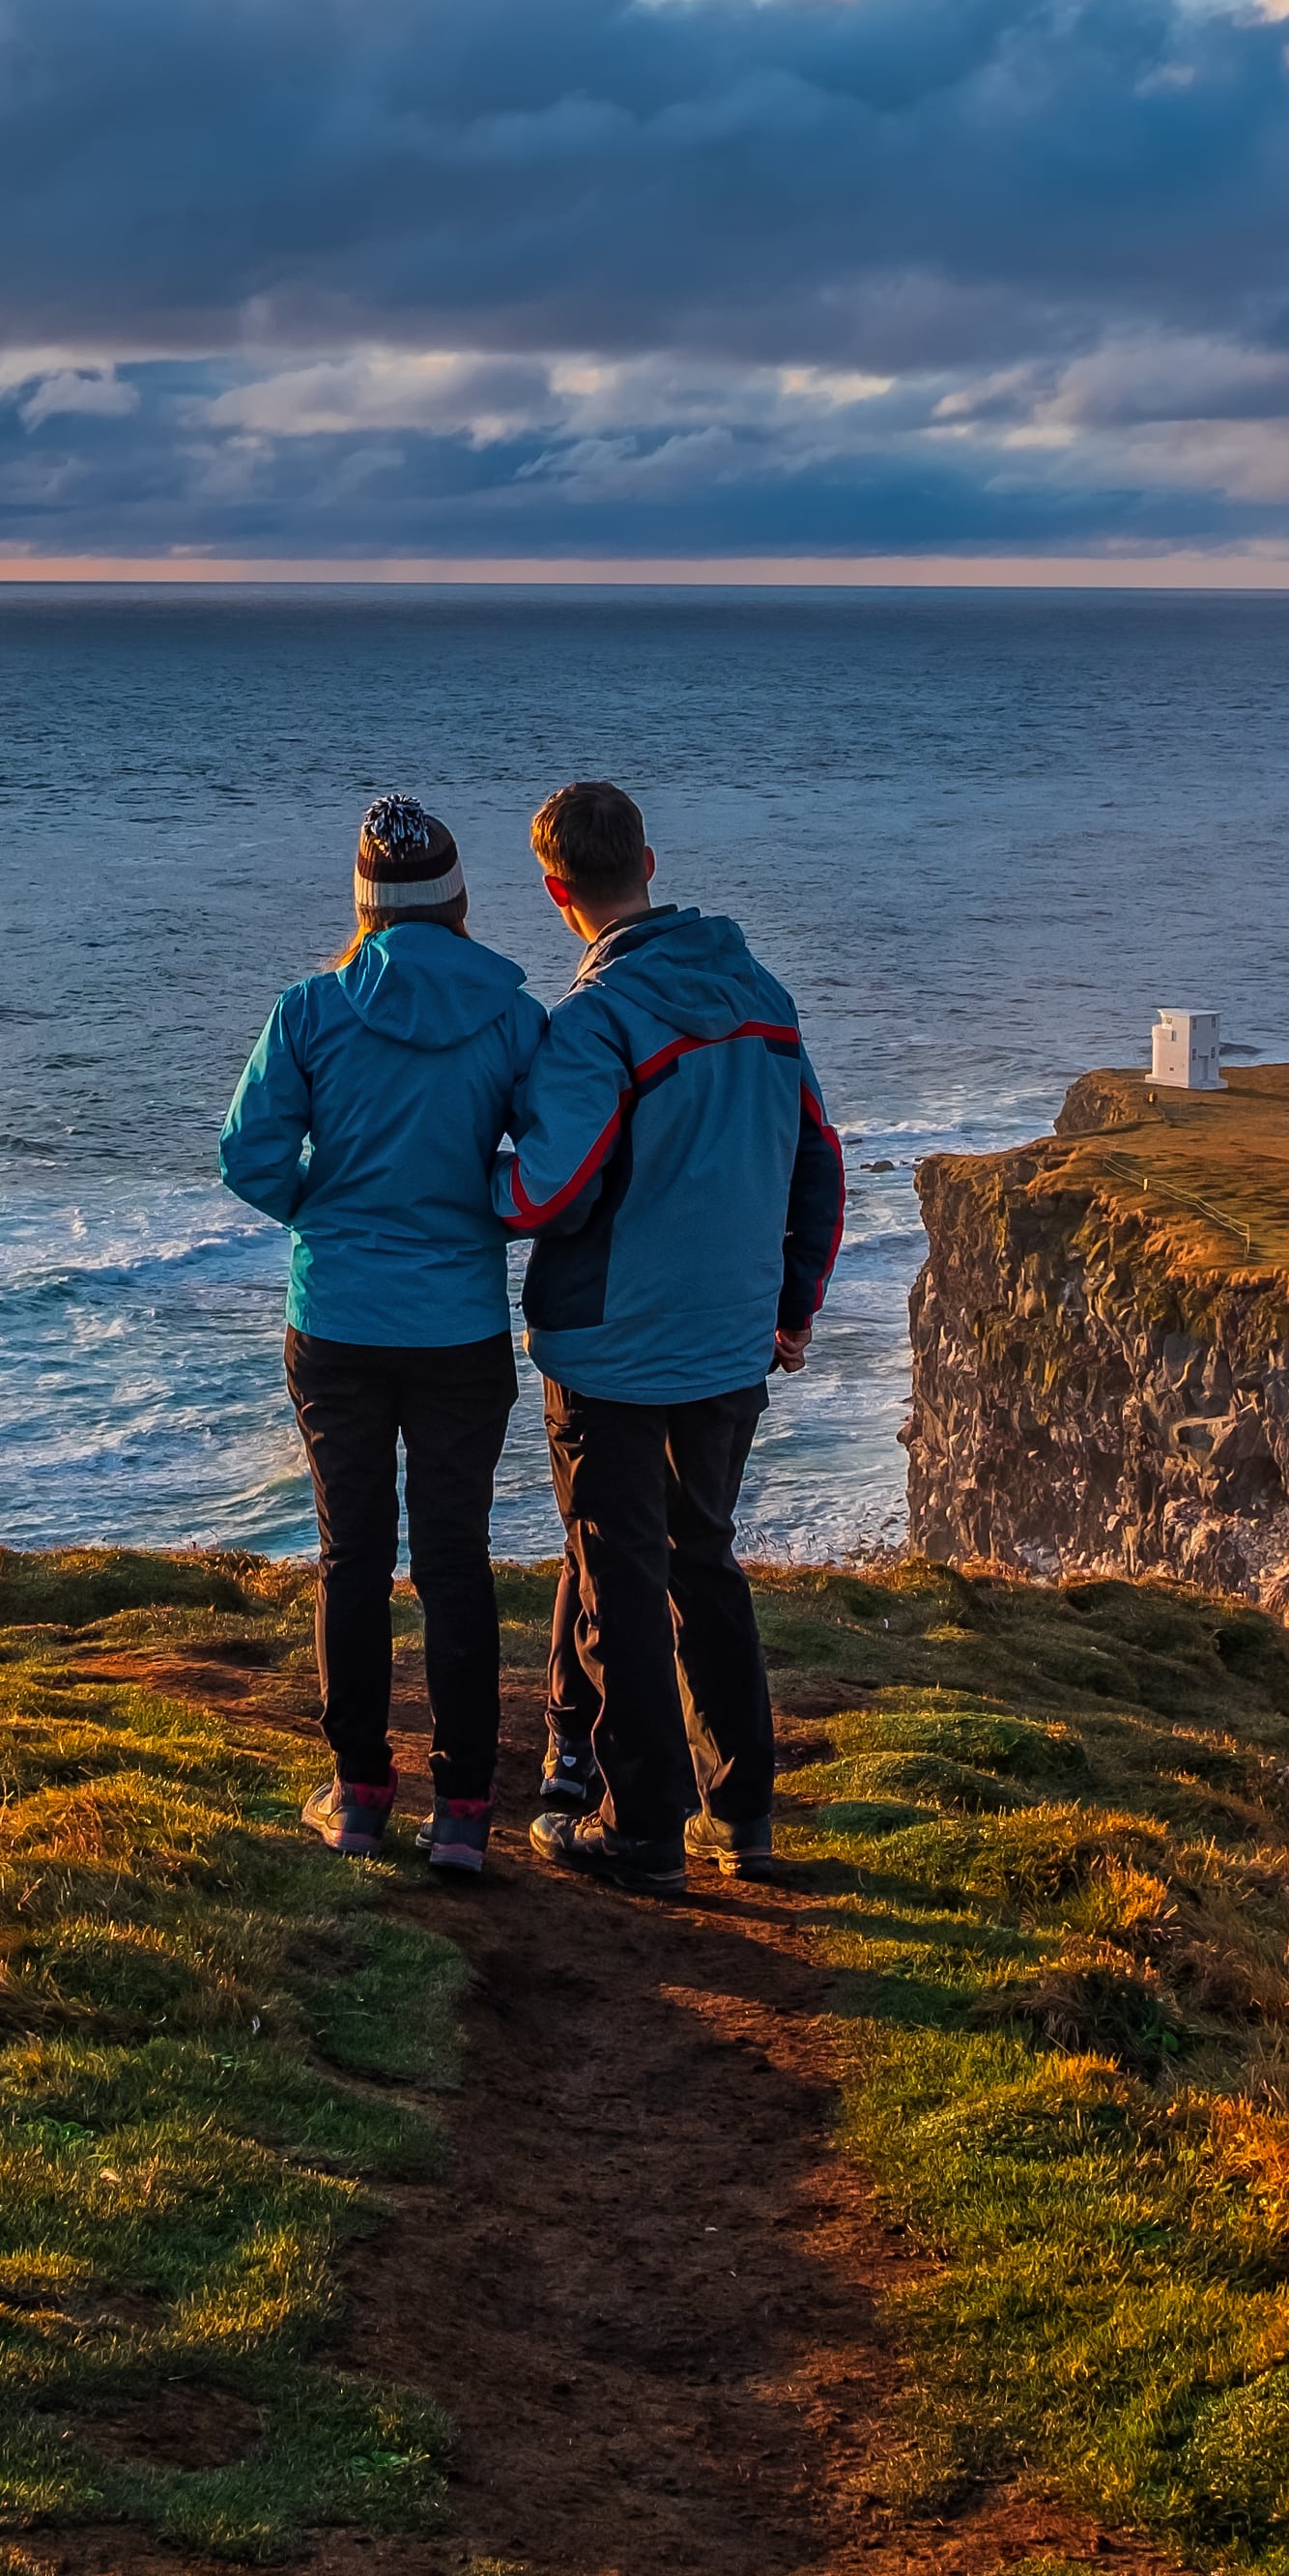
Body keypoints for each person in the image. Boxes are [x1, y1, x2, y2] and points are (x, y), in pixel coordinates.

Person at [496, 781, 845, 1896]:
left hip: (610, 1340)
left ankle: (641, 1821)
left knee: (617, 1574)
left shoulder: (594, 1020)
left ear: (557, 893)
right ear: (650, 859)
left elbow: (545, 1192)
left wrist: (470, 1178)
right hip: (728, 1337)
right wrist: (791, 1304)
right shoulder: (763, 994)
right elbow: (817, 1161)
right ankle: (740, 1810)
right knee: (704, 1557)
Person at [219, 797, 546, 1877]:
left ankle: (359, 1791)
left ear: (360, 906)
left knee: (350, 1554)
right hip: (457, 1322)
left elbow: (249, 1155)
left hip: (339, 1316)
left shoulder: (310, 1009)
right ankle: (461, 1808)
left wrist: (324, 1204)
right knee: (454, 1558)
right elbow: (548, 1159)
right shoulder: (512, 1015)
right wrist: (479, 1201)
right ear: (457, 901)